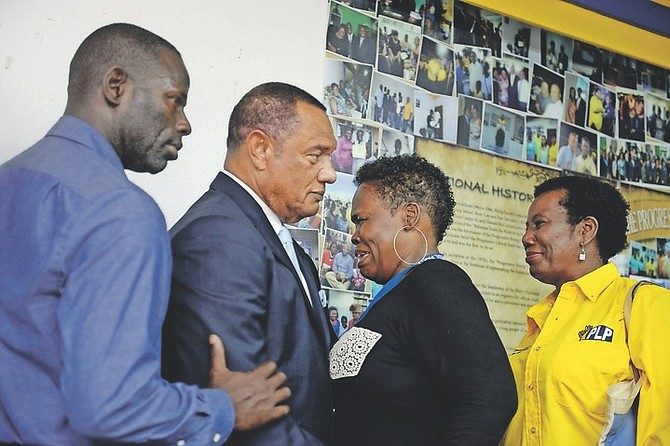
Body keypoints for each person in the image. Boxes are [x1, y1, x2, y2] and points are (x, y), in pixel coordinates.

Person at [0, 23, 289, 445]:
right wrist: (223, 408)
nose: (185, 124)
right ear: (116, 85)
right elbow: (112, 408)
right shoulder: (119, 211)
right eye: (175, 101)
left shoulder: (9, 181)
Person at [162, 82, 337, 445]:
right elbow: (248, 404)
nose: (329, 174)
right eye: (315, 155)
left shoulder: (275, 240)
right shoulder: (220, 235)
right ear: (260, 149)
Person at [330, 155, 517, 445]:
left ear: (409, 216)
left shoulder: (436, 284)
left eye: (361, 220)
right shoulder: (401, 292)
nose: (354, 236)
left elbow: (490, 398)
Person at [501, 175, 670, 445]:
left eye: (539, 224)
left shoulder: (644, 304)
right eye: (527, 227)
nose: (526, 237)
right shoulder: (540, 319)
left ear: (585, 230)